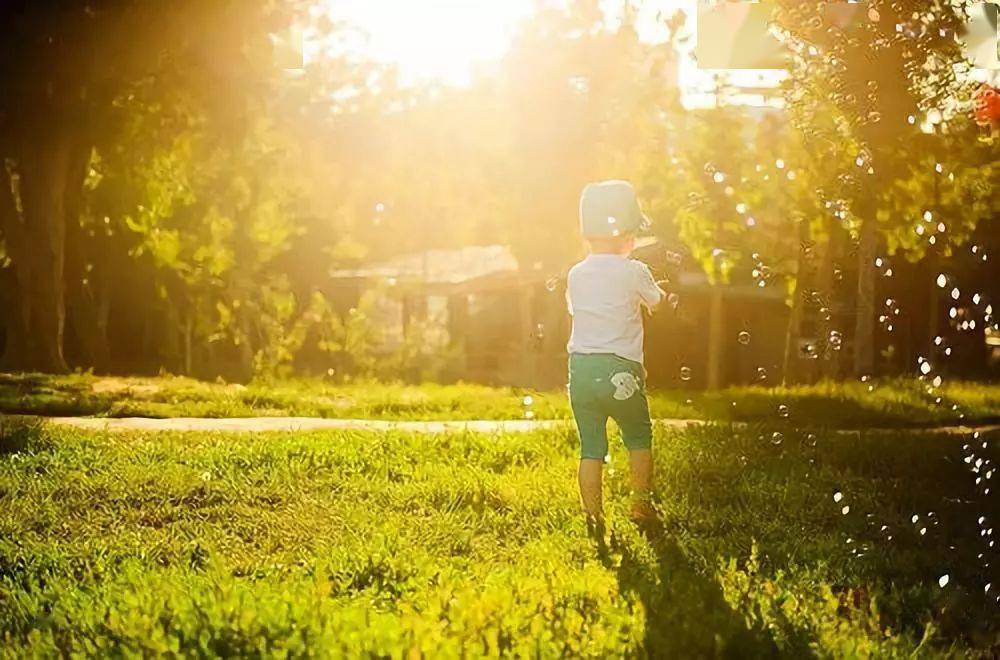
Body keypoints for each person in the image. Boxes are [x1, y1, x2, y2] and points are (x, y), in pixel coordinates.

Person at [566, 180, 665, 545]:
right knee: (638, 436)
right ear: (626, 233)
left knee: (591, 447)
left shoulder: (576, 274)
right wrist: (665, 296)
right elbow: (656, 302)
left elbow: (580, 310)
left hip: (580, 370)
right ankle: (640, 504)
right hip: (620, 371)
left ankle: (593, 516)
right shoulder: (634, 270)